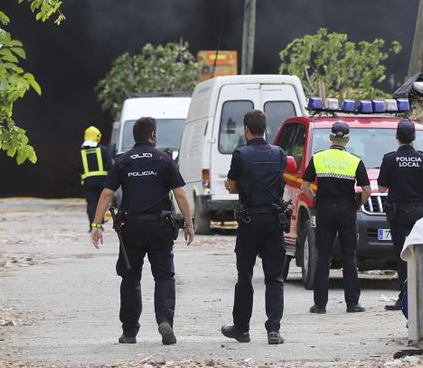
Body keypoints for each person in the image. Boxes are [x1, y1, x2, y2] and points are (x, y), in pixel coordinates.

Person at [89, 116, 195, 346]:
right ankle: (165, 321)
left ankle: (129, 332)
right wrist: (189, 224)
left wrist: (96, 225)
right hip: (160, 228)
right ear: (153, 135)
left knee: (130, 278)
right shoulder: (164, 159)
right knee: (164, 276)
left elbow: (106, 194)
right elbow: (180, 194)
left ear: (134, 136)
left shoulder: (123, 160)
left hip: (131, 228)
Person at [220, 109, 288, 346]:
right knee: (274, 278)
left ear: (246, 129)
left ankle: (242, 329)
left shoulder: (241, 154)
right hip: (274, 221)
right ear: (265, 129)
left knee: (245, 276)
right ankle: (273, 330)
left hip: (249, 222)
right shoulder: (279, 153)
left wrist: (239, 186)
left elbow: (232, 185)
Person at [303, 119, 371, 314]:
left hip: (324, 210)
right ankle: (352, 303)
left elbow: (305, 186)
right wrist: (357, 204)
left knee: (323, 256)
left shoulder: (318, 158)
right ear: (347, 140)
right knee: (349, 257)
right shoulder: (355, 161)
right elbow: (367, 190)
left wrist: (316, 201)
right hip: (346, 211)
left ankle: (320, 305)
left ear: (330, 137)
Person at [376, 119, 423, 316]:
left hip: (398, 214)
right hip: (419, 213)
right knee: (421, 254)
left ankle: (404, 298)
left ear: (397, 137)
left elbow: (381, 188)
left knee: (403, 256)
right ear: (414, 137)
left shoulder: (389, 159)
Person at [79, 125, 114, 228]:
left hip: (88, 182)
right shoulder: (103, 150)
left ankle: (92, 225)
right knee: (101, 202)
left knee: (91, 204)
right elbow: (109, 165)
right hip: (102, 182)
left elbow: (78, 167)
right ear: (98, 136)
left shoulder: (82, 152)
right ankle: (100, 223)